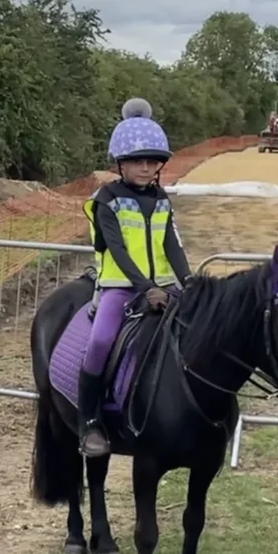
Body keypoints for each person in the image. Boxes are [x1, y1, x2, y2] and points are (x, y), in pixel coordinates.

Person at [77, 99, 193, 456]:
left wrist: (189, 284)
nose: (146, 168)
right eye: (137, 161)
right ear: (120, 164)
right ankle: (90, 423)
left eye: (153, 161)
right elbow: (117, 250)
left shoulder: (161, 200)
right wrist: (146, 288)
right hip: (119, 287)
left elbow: (171, 245)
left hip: (163, 287)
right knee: (99, 343)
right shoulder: (106, 201)